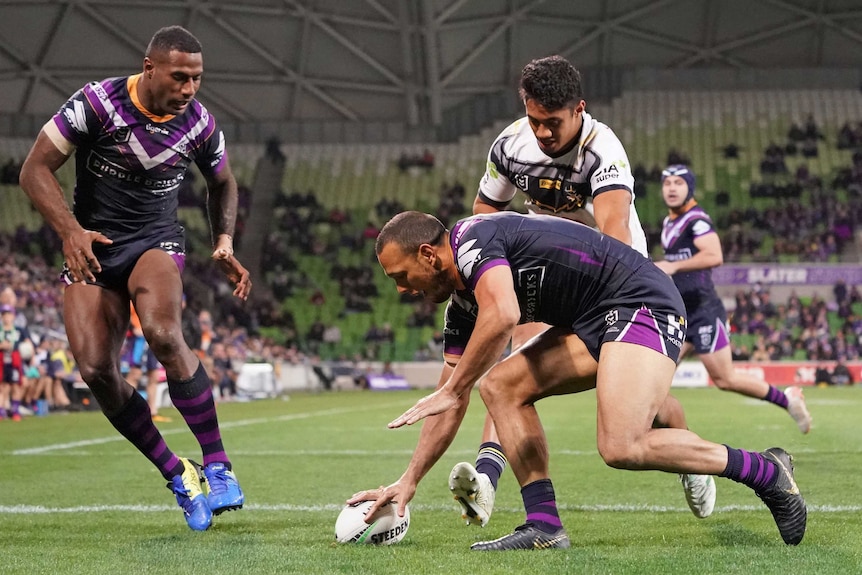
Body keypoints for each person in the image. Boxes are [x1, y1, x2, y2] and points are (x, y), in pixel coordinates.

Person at [350, 210, 807, 550]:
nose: (402, 289)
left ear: (428, 254)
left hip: (639, 301)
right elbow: (446, 402)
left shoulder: (472, 239)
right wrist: (408, 481)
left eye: (401, 275)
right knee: (499, 386)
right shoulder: (462, 307)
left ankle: (768, 472)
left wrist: (452, 389)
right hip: (596, 319)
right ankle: (544, 526)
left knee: (621, 446)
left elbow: (505, 314)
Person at [453, 54, 709, 529]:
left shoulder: (602, 148)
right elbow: (483, 216)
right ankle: (488, 480)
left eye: (553, 123)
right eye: (535, 120)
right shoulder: (509, 145)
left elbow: (614, 233)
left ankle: (688, 448)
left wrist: (580, 299)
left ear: (579, 110)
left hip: (614, 279)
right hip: (544, 263)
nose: (544, 133)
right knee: (510, 370)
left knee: (629, 404)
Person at [19, 25, 251, 531]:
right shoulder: (96, 105)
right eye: (179, 77)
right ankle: (178, 473)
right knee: (95, 370)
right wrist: (71, 230)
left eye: (197, 79)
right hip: (94, 247)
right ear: (149, 68)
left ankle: (218, 466)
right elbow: (34, 169)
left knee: (165, 334)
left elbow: (223, 181)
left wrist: (225, 241)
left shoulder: (200, 122)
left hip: (155, 242)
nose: (189, 89)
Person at [653, 165, 812, 433]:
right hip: (680, 311)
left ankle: (787, 399)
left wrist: (673, 266)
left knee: (725, 379)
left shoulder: (697, 219)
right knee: (655, 378)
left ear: (689, 187)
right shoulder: (670, 222)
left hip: (703, 309)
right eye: (667, 183)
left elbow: (715, 256)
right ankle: (675, 443)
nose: (671, 188)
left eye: (678, 183)